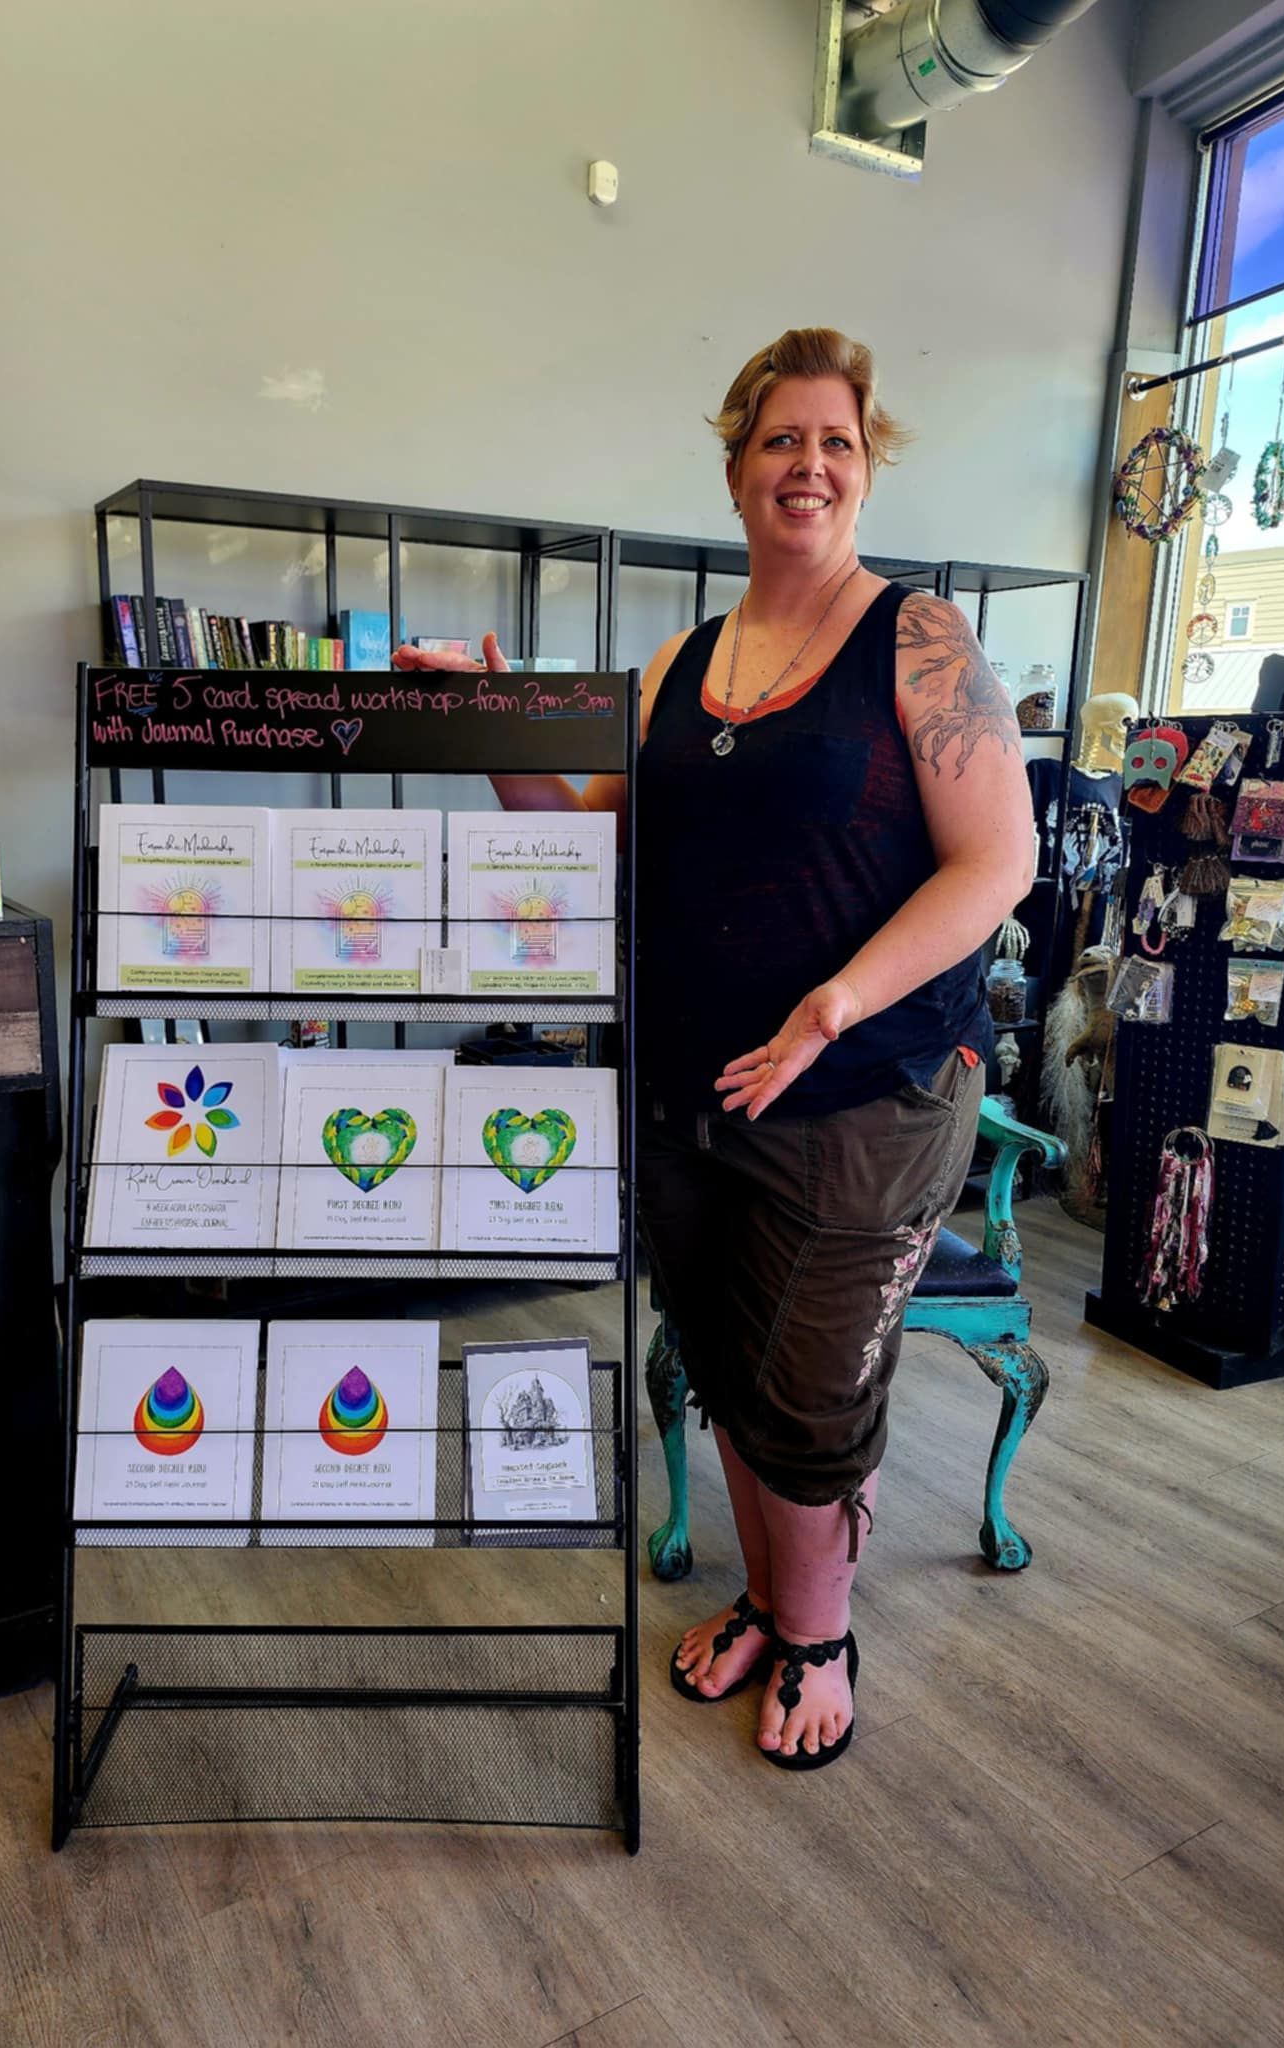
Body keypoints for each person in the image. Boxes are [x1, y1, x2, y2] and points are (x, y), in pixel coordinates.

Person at [395, 326, 1033, 1770]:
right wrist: (488, 717)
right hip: (690, 1089)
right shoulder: (686, 659)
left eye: (837, 442)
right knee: (732, 1366)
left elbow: (997, 863)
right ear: (738, 466)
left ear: (867, 473)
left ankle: (820, 1634)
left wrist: (833, 1005)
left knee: (807, 1395)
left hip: (863, 1090)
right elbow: (587, 841)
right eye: (780, 440)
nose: (808, 464)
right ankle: (767, 1596)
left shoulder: (918, 637)